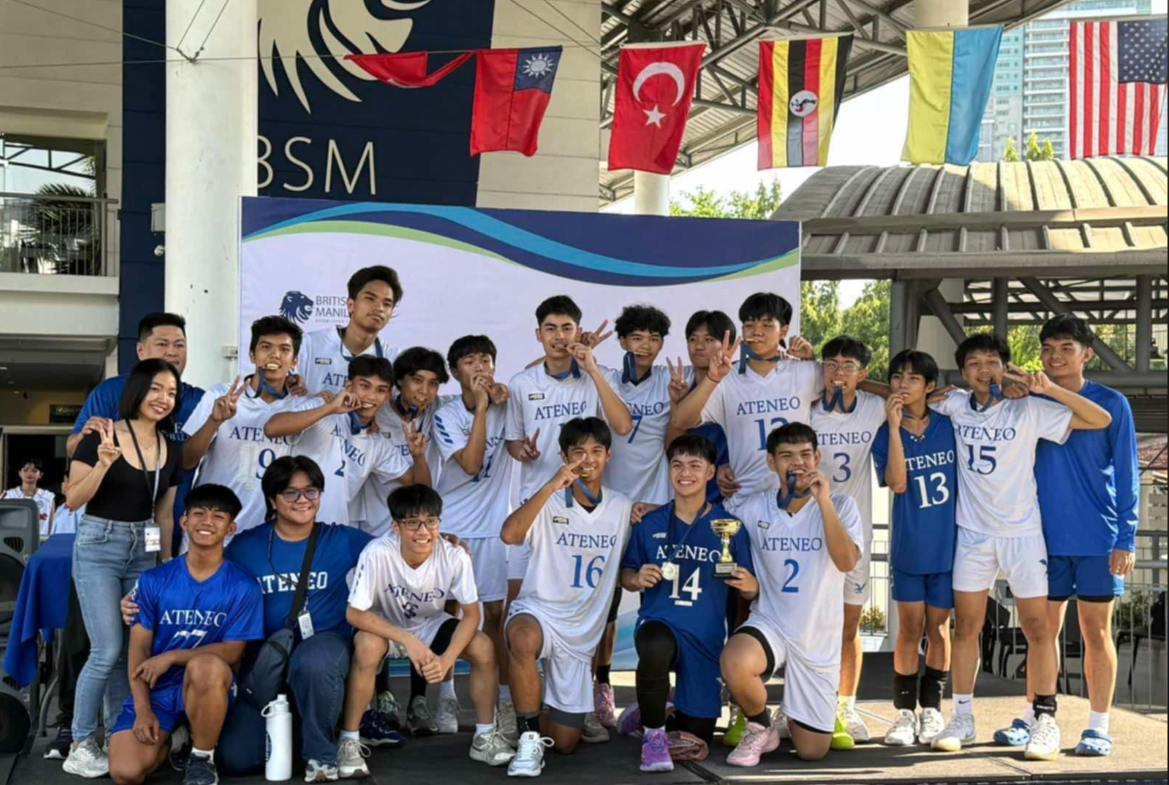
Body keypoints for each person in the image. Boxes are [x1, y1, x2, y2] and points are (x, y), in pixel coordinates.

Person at [928, 333, 1112, 762]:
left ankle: (1044, 718)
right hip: (973, 534)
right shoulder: (954, 403)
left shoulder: (1029, 407)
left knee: (1038, 628)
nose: (984, 369)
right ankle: (962, 717)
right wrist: (859, 382)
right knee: (966, 627)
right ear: (964, 370)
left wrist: (1047, 387)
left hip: (1024, 534)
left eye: (992, 361)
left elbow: (1099, 419)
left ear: (1005, 366)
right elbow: (909, 394)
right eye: (974, 363)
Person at [997, 316, 1139, 757]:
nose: (1054, 356)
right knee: (1040, 631)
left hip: (1098, 537)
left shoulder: (1112, 403)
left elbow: (1129, 471)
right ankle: (1033, 716)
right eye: (1047, 348)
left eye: (1065, 348)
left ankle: (1098, 725)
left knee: (1096, 632)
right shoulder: (1025, 400)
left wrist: (1126, 537)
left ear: (1087, 354)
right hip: (1041, 537)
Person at [215, 456, 374, 781]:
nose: (303, 500)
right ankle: (300, 728)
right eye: (291, 493)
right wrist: (143, 598)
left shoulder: (341, 539)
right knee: (236, 760)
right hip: (265, 655)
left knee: (314, 663)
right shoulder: (246, 545)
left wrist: (448, 546)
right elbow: (206, 579)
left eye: (311, 491)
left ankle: (321, 757)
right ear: (273, 499)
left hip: (324, 644)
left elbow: (396, 553)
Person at [341, 485, 516, 776]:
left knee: (483, 647)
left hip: (430, 623)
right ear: (396, 527)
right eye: (412, 523)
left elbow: (472, 614)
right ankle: (349, 740)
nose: (423, 531)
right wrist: (406, 640)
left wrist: (447, 659)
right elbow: (354, 612)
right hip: (387, 625)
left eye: (431, 521)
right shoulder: (377, 552)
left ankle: (484, 736)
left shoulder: (454, 555)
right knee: (367, 647)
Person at [63, 359, 184, 779]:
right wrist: (103, 462)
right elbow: (73, 500)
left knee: (132, 651)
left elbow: (165, 513)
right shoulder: (102, 432)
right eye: (154, 388)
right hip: (99, 544)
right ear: (136, 390)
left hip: (144, 549)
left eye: (170, 392)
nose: (162, 398)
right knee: (106, 649)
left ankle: (118, 733)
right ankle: (80, 741)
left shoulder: (172, 446)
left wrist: (166, 565)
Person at [719, 423, 864, 766]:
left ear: (817, 457)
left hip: (817, 636)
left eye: (804, 455)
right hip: (771, 622)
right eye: (786, 456)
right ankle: (760, 726)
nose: (796, 463)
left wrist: (823, 501)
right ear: (771, 462)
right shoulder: (753, 507)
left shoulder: (842, 505)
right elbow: (705, 522)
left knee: (812, 752)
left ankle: (793, 712)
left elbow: (845, 562)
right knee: (734, 661)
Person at [501, 417, 633, 778]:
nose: (587, 459)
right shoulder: (547, 500)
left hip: (580, 637)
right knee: (522, 638)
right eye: (578, 452)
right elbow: (509, 535)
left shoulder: (622, 507)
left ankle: (536, 707)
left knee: (564, 743)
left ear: (608, 455)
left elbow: (633, 553)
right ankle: (527, 738)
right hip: (539, 612)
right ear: (564, 457)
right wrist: (550, 485)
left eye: (595, 451)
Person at [616, 434, 757, 771]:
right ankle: (653, 736)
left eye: (695, 465)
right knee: (653, 647)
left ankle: (653, 710)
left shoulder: (730, 528)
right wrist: (636, 579)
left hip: (705, 637)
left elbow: (749, 591)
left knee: (697, 737)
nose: (685, 472)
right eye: (677, 465)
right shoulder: (649, 523)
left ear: (711, 472)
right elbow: (627, 573)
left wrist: (749, 586)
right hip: (660, 622)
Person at [107, 484, 264, 785]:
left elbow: (232, 652)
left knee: (204, 665)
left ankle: (201, 758)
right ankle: (176, 741)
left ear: (230, 527)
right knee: (126, 772)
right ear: (184, 522)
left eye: (218, 516)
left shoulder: (243, 586)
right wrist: (142, 709)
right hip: (158, 689)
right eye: (199, 514)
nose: (207, 521)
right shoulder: (154, 580)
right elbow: (138, 650)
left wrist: (172, 656)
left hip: (210, 686)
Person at [432, 335, 518, 741]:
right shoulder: (446, 415)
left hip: (493, 527)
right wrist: (483, 408)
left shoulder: (509, 402)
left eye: (486, 359)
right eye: (469, 361)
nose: (480, 367)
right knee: (452, 614)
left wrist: (500, 402)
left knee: (496, 616)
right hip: (454, 528)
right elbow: (469, 464)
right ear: (455, 371)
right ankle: (446, 694)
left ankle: (501, 699)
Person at [871, 350, 956, 747]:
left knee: (938, 628)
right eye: (897, 377)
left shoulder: (951, 425)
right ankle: (904, 712)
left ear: (930, 386)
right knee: (908, 629)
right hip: (908, 545)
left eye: (913, 378)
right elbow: (898, 483)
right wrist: (893, 428)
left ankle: (933, 710)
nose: (903, 385)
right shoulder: (883, 432)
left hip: (948, 546)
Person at [808, 336, 887, 750]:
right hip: (808, 529)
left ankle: (845, 705)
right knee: (804, 623)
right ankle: (800, 704)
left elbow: (904, 397)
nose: (838, 371)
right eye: (831, 363)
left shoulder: (874, 408)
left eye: (848, 365)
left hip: (854, 529)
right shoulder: (805, 409)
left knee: (848, 624)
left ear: (863, 373)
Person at [667, 293, 821, 501]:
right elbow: (681, 420)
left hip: (796, 498)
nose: (756, 332)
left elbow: (846, 386)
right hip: (744, 500)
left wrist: (812, 358)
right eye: (749, 324)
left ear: (783, 331)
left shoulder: (805, 372)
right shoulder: (726, 379)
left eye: (767, 325)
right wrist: (712, 379)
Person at [68, 313, 206, 539]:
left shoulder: (200, 399)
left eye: (179, 345)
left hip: (178, 523)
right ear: (141, 351)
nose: (172, 351)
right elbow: (74, 450)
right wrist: (90, 441)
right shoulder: (109, 391)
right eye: (162, 344)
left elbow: (190, 460)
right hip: (111, 529)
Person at [263, 355, 432, 530]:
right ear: (349, 386)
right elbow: (271, 428)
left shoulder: (378, 443)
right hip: (290, 527)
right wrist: (330, 409)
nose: (371, 396)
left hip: (332, 534)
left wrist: (418, 456)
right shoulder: (323, 406)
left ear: (388, 396)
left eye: (381, 390)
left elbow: (420, 488)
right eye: (364, 386)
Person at [181, 316, 308, 536]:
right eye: (266, 347)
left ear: (294, 360)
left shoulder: (301, 408)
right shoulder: (220, 394)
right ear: (252, 355)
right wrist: (215, 421)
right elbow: (186, 459)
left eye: (284, 349)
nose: (274, 355)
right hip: (212, 528)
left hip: (266, 533)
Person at [354, 347, 458, 537]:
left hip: (416, 530)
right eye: (417, 381)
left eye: (433, 383)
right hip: (375, 527)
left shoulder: (441, 408)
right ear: (400, 380)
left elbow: (473, 399)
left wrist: (496, 390)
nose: (424, 391)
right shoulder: (376, 412)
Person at [293, 265, 403, 396]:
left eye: (387, 304)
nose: (379, 308)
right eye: (370, 298)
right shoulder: (309, 343)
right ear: (351, 305)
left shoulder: (395, 359)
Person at [664, 310, 735, 505]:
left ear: (726, 344)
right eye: (693, 339)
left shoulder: (739, 386)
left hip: (735, 497)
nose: (699, 346)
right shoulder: (682, 385)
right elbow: (672, 450)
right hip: (692, 500)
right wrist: (676, 403)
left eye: (709, 339)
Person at [2, 458, 55, 537]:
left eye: (34, 471)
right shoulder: (9, 495)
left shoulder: (48, 497)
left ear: (40, 474)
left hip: (41, 543)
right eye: (25, 470)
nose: (29, 473)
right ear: (20, 473)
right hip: (14, 543)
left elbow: (51, 525)